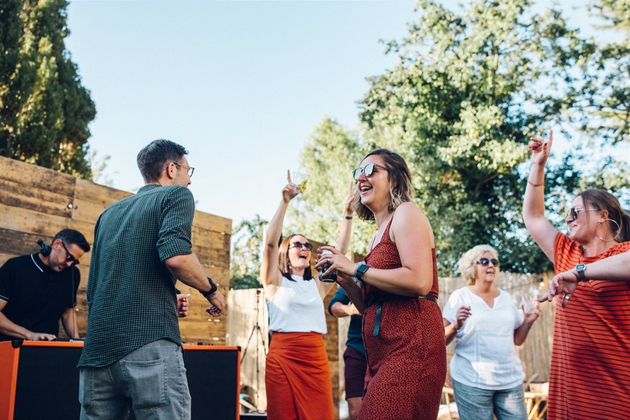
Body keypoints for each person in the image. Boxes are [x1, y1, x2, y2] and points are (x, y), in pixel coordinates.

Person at [77, 139, 226, 420]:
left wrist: (167, 298)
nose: (190, 180)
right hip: (149, 347)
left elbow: (101, 286)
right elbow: (176, 256)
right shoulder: (176, 196)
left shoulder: (108, 214)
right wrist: (211, 290)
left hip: (97, 352)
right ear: (171, 169)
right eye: (187, 170)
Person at [316, 149, 446, 420]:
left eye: (371, 170)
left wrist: (354, 267)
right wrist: (343, 276)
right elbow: (367, 306)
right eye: (358, 172)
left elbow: (420, 281)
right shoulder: (376, 236)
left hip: (412, 347)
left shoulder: (407, 213)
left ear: (395, 180)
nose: (361, 177)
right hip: (380, 354)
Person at [522, 130, 630, 419]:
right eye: (567, 213)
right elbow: (533, 217)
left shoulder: (622, 253)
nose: (567, 218)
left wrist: (580, 273)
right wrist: (538, 165)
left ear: (603, 215)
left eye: (576, 212)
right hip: (571, 395)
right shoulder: (566, 253)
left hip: (615, 393)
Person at [261, 170, 336, 420]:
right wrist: (285, 202)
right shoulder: (274, 281)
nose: (305, 247)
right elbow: (270, 244)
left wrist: (348, 213)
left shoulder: (317, 284)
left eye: (308, 245)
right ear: (287, 252)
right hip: (283, 356)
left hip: (314, 356)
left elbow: (341, 250)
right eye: (298, 244)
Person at [442, 245, 539, 420]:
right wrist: (456, 324)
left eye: (494, 262)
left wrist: (527, 322)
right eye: (484, 261)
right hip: (471, 382)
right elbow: (440, 340)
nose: (491, 265)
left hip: (509, 381)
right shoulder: (460, 296)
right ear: (472, 267)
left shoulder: (506, 299)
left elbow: (517, 340)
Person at [0, 229, 90, 341]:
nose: (69, 264)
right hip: (10, 348)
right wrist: (28, 334)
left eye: (74, 262)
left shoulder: (72, 274)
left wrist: (76, 341)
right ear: (57, 244)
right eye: (69, 258)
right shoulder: (15, 267)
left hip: (47, 350)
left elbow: (68, 312)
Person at [327, 187, 366, 420]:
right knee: (355, 409)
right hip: (356, 350)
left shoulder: (390, 279)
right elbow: (333, 307)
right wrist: (351, 308)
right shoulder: (356, 280)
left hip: (382, 351)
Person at [541, 250, 630, 303]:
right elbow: (534, 219)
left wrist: (577, 273)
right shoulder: (566, 250)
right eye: (568, 216)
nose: (568, 220)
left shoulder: (625, 249)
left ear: (602, 217)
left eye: (575, 216)